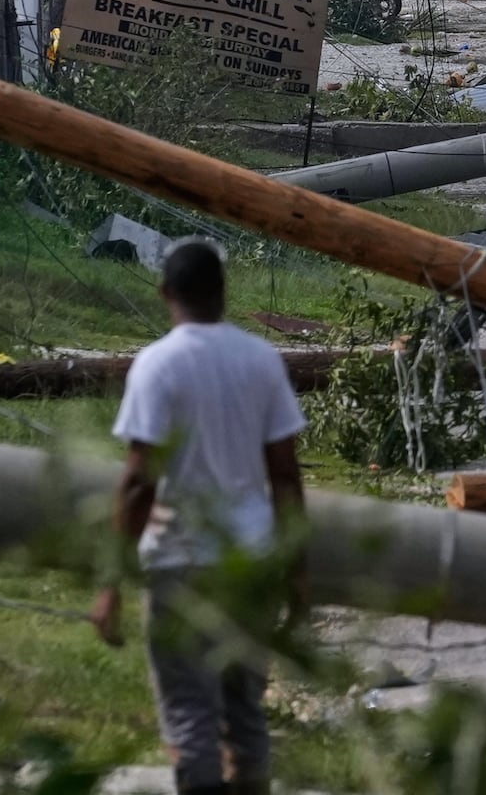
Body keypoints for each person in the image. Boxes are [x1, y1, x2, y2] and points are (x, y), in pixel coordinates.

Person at [94, 241, 306, 795]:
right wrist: (296, 569)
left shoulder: (158, 365)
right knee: (244, 710)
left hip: (179, 560)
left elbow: (139, 480)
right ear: (223, 293)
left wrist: (112, 582)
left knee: (190, 713)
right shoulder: (261, 359)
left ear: (165, 293)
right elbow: (286, 474)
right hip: (250, 559)